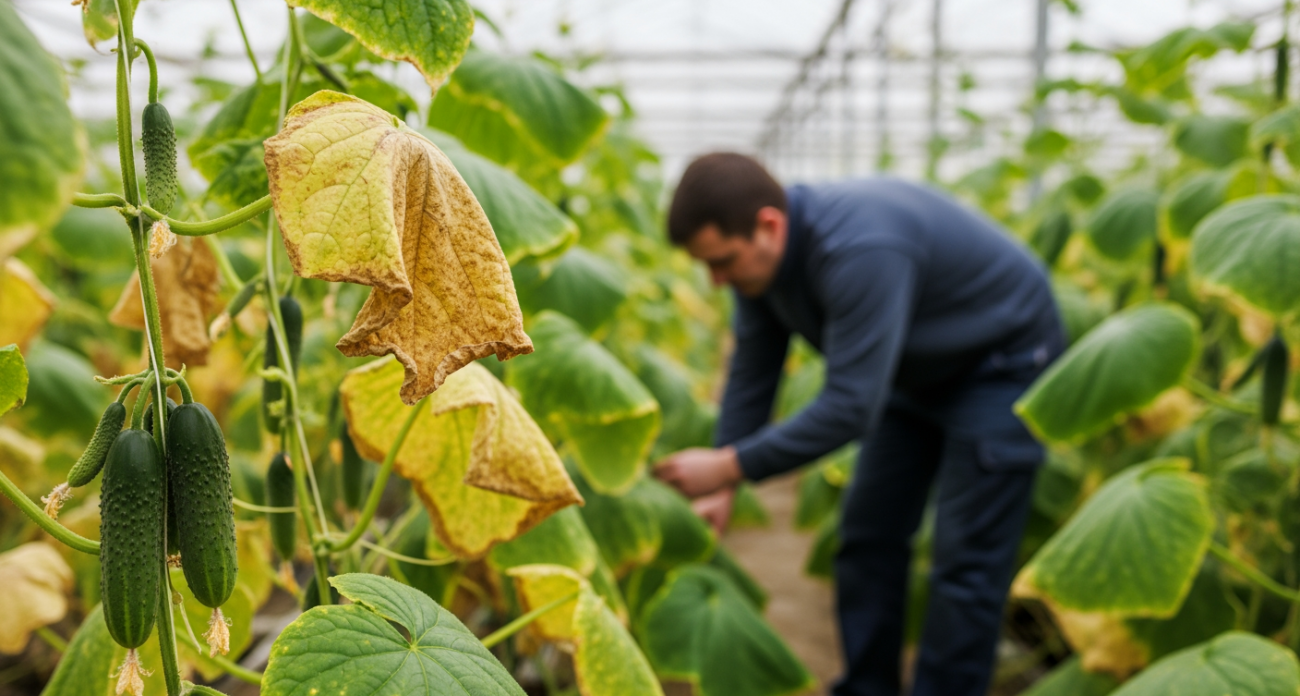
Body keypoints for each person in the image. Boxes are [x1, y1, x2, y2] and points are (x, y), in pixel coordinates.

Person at [652, 153, 1064, 696]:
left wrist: (729, 465)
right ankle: (868, 688)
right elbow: (753, 373)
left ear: (769, 226)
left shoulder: (859, 248)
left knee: (964, 568)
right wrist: (726, 482)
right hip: (911, 376)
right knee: (867, 537)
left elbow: (850, 407)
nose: (715, 280)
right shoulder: (761, 269)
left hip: (1001, 367)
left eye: (723, 262)